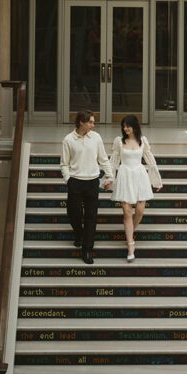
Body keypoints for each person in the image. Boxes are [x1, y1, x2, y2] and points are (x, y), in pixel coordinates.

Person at [60, 111, 113, 265]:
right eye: (90, 122)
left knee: (91, 216)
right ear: (81, 123)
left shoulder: (96, 137)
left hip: (92, 182)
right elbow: (64, 163)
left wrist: (109, 176)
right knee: (73, 213)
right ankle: (79, 234)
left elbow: (103, 159)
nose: (93, 125)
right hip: (75, 181)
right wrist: (68, 179)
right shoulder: (68, 140)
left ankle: (87, 249)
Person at [109, 115, 162, 262]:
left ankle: (130, 230)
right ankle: (130, 245)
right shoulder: (119, 142)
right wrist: (109, 178)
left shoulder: (142, 141)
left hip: (139, 176)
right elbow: (113, 162)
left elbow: (150, 161)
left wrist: (156, 181)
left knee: (139, 211)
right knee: (127, 211)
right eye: (124, 126)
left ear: (134, 126)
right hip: (125, 175)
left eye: (128, 125)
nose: (126, 128)